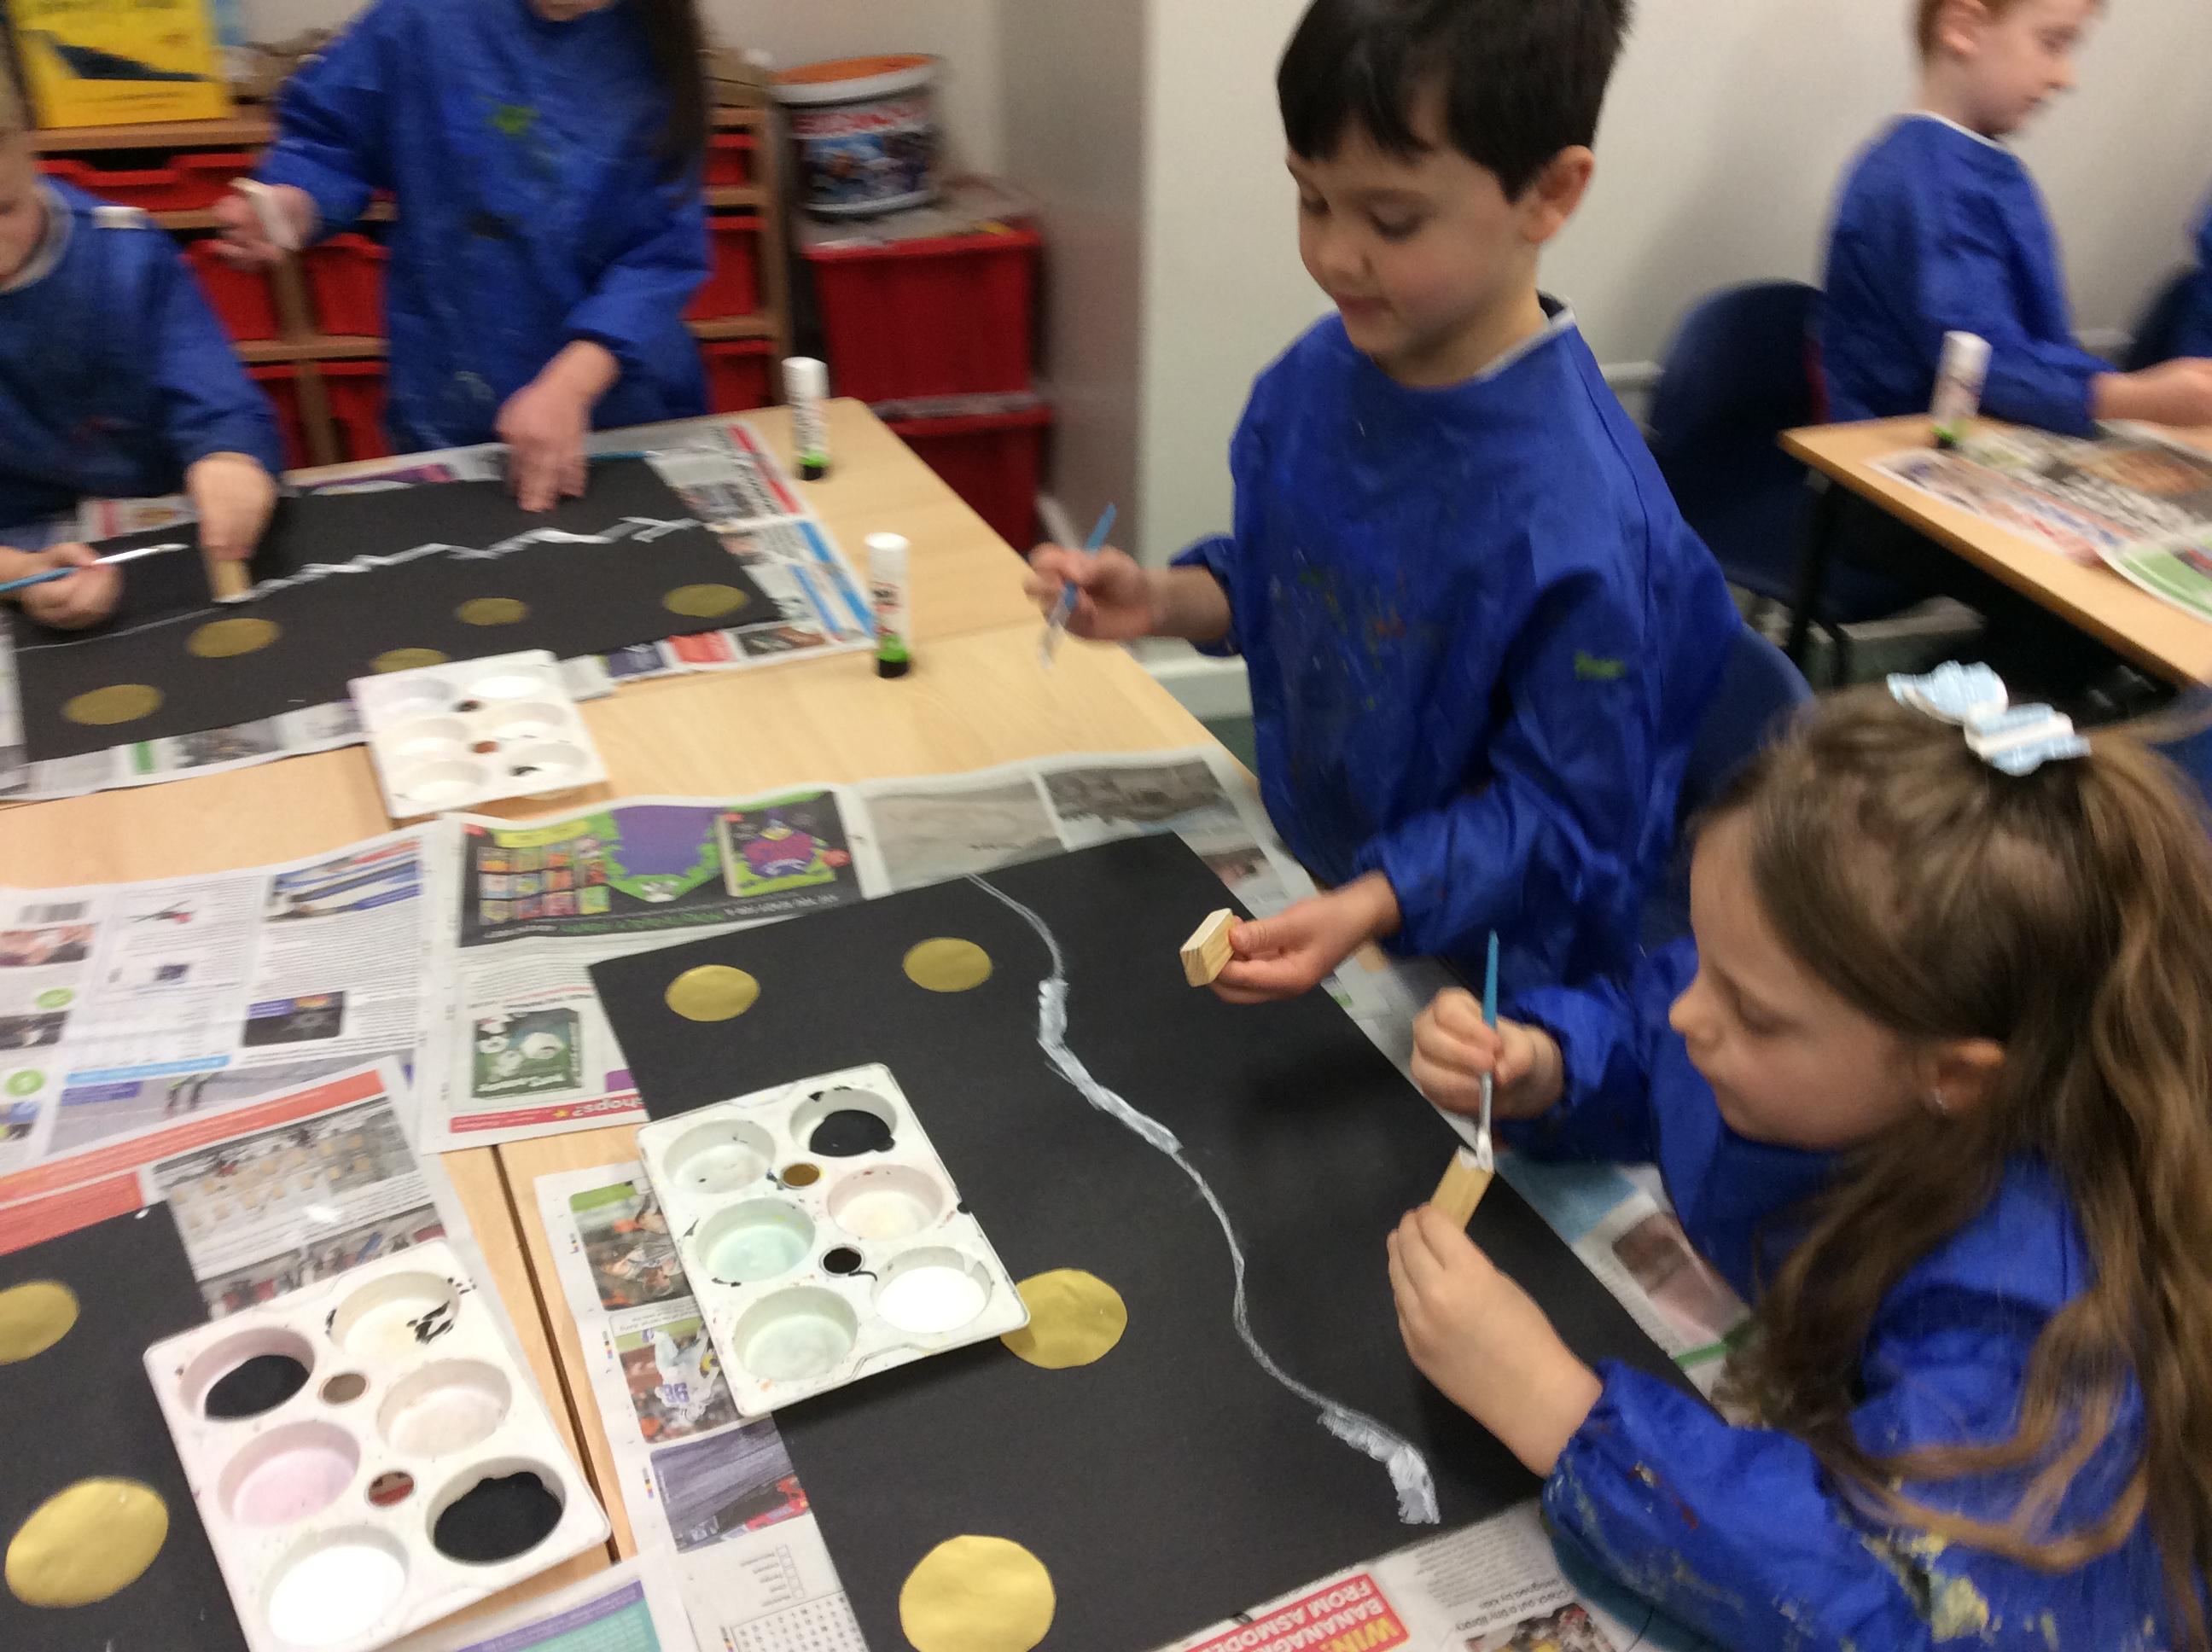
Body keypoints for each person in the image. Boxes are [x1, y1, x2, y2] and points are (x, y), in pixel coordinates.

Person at [1393, 673, 2212, 1648]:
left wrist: (1563, 1415)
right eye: (1705, 958)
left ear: (1951, 1075)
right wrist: (1551, 1064)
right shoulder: (1808, 1024)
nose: (1692, 1012)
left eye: (1751, 1011)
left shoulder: (2036, 1327)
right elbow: (1657, 1030)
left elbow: (1902, 1603)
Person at [1025, 0, 1736, 1001]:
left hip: (1491, 974)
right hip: (1325, 877)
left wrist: (1376, 900)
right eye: (1311, 200)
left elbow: (1568, 816)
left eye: (1392, 220)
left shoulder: (1590, 525)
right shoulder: (1321, 375)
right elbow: (1301, 579)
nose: (1334, 256)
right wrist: (1162, 598)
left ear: (1549, 193)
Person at [215, 0, 712, 511]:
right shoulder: (423, 20)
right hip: (454, 390)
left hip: (617, 400)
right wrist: (296, 204)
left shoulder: (653, 45)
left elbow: (662, 254)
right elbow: (329, 139)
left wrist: (570, 389)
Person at [1823, 0, 2212, 434]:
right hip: (1899, 454)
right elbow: (1981, 363)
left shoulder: (1976, 167)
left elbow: (2029, 347)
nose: (2065, 76)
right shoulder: (1922, 183)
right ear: (1965, 28)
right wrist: (2133, 398)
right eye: (2052, 43)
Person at [0, 78, 281, 631]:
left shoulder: (123, 253)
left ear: (29, 154)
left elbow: (213, 392)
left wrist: (230, 457)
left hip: (161, 513)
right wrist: (20, 572)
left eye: (4, 209)